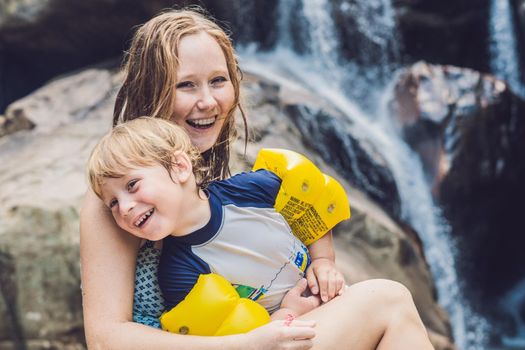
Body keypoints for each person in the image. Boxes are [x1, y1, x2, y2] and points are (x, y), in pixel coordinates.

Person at [80, 7, 435, 349]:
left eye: (218, 81)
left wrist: (311, 281)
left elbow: (303, 210)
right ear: (152, 90)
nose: (208, 101)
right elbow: (106, 339)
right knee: (388, 300)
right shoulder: (117, 202)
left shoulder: (214, 184)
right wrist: (248, 343)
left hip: (263, 333)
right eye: (186, 85)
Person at [87, 117, 343, 321]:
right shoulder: (179, 273)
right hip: (298, 335)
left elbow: (311, 207)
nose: (125, 208)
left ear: (180, 166)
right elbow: (230, 333)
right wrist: (287, 315)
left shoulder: (249, 189)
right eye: (113, 203)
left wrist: (323, 260)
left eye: (131, 185)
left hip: (335, 297)